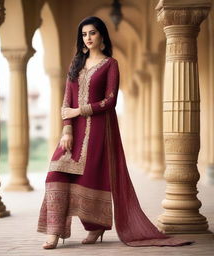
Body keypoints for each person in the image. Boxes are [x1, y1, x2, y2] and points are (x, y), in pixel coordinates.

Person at [37, 16, 193, 249]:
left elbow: (110, 101)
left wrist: (79, 110)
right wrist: (67, 130)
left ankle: (95, 227)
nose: (87, 38)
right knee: (55, 174)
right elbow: (65, 101)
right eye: (84, 34)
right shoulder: (76, 65)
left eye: (92, 33)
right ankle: (54, 231)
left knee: (90, 178)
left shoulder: (111, 64)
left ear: (102, 36)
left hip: (100, 129)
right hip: (74, 130)